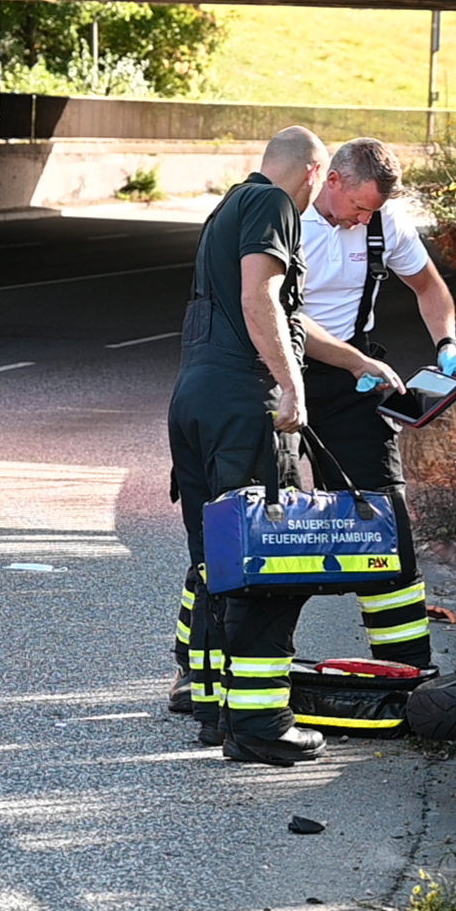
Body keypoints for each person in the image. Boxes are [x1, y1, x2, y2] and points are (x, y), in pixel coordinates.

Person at [166, 125, 332, 766]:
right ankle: (261, 724)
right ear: (314, 172)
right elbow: (259, 293)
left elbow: (258, 310)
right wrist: (292, 388)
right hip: (243, 405)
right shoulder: (274, 205)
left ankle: (212, 704)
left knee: (216, 558)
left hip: (195, 400)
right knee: (269, 563)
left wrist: (352, 362)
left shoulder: (227, 205)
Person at [294, 138, 456, 669]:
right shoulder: (286, 221)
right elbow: (279, 313)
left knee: (383, 518)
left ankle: (407, 668)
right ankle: (205, 667)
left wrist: (447, 346)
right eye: (359, 207)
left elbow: (429, 287)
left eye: (374, 211)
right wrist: (355, 362)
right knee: (251, 519)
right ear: (333, 180)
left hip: (353, 385)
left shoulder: (383, 221)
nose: (363, 219)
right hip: (278, 373)